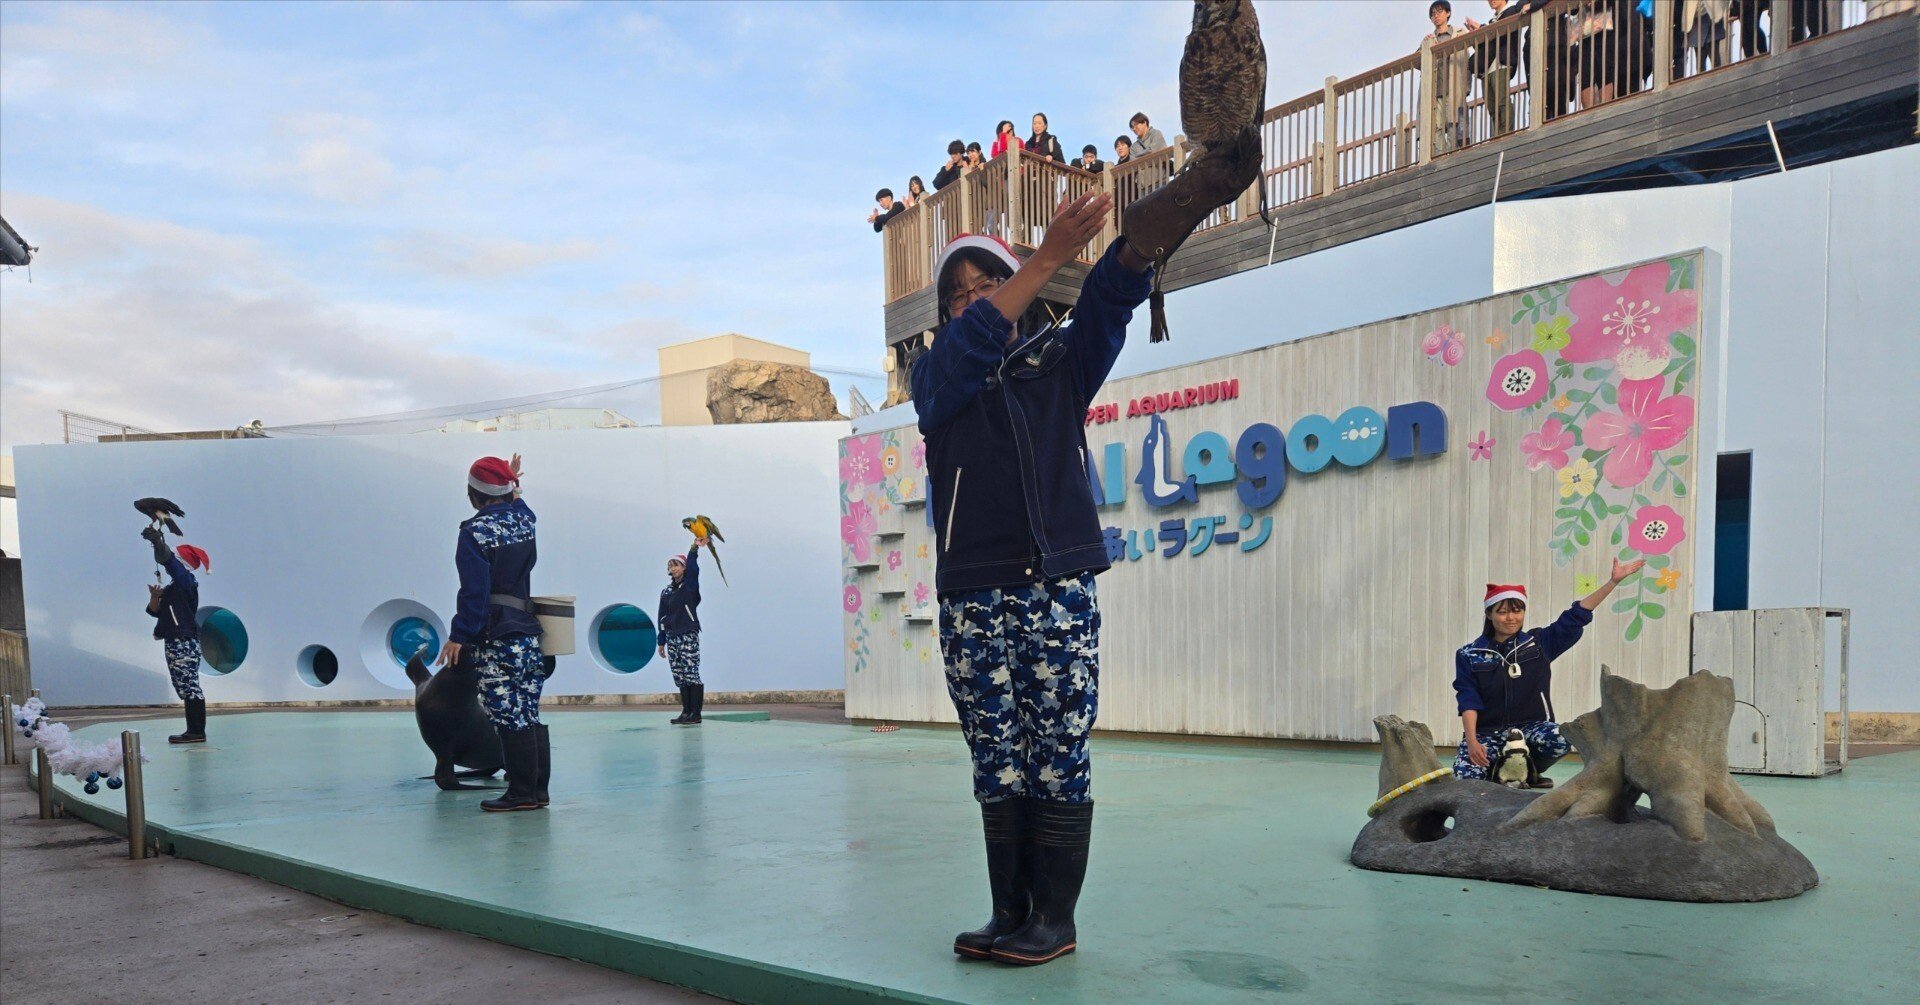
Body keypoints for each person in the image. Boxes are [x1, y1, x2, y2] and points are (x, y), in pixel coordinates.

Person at [910, 196, 1155, 966]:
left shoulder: (1058, 365)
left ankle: (1054, 917)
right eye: (961, 291)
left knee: (1057, 752)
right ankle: (1007, 909)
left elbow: (1110, 306)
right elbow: (973, 343)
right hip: (972, 594)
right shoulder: (938, 376)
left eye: (991, 281)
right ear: (948, 314)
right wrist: (1043, 260)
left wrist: (1136, 250)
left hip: (1056, 587)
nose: (976, 298)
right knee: (996, 755)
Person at [1452, 560, 1645, 783]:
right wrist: (1473, 741)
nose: (1511, 618)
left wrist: (1612, 582)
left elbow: (1576, 616)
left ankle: (1530, 771)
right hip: (1488, 732)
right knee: (1465, 778)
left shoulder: (1539, 644)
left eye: (1517, 611)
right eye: (1502, 612)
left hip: (1531, 727)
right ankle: (1501, 770)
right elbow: (1468, 700)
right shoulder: (1469, 654)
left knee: (1560, 738)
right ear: (1489, 614)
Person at [438, 455, 548, 813]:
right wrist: (511, 480)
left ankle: (519, 794)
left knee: (505, 713)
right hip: (529, 634)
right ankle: (536, 791)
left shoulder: (473, 532)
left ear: (474, 494)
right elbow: (520, 502)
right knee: (528, 711)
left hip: (497, 636)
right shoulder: (524, 521)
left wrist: (459, 635)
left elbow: (475, 591)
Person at [142, 527, 210, 744]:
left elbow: (172, 564)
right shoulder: (175, 588)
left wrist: (159, 544)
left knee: (189, 684)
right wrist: (155, 597)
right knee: (184, 683)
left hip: (183, 640)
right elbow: (155, 612)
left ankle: (196, 732)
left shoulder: (186, 582)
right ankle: (194, 730)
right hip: (175, 639)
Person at [656, 543, 706, 725]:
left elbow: (694, 570)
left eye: (676, 564)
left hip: (687, 633)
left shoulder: (690, 586)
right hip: (671, 636)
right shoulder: (666, 591)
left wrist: (693, 550)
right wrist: (661, 641)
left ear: (684, 568)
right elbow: (661, 616)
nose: (672, 568)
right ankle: (686, 712)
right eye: (670, 566)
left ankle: (696, 713)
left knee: (691, 672)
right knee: (679, 674)